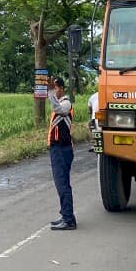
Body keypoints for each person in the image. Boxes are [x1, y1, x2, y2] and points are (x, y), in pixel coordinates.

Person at [48, 77, 76, 230]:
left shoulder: (66, 104)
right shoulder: (60, 103)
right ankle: (66, 215)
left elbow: (57, 109)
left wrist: (50, 92)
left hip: (62, 149)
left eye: (57, 88)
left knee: (62, 185)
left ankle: (68, 220)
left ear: (62, 89)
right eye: (54, 88)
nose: (55, 91)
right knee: (61, 184)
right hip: (57, 148)